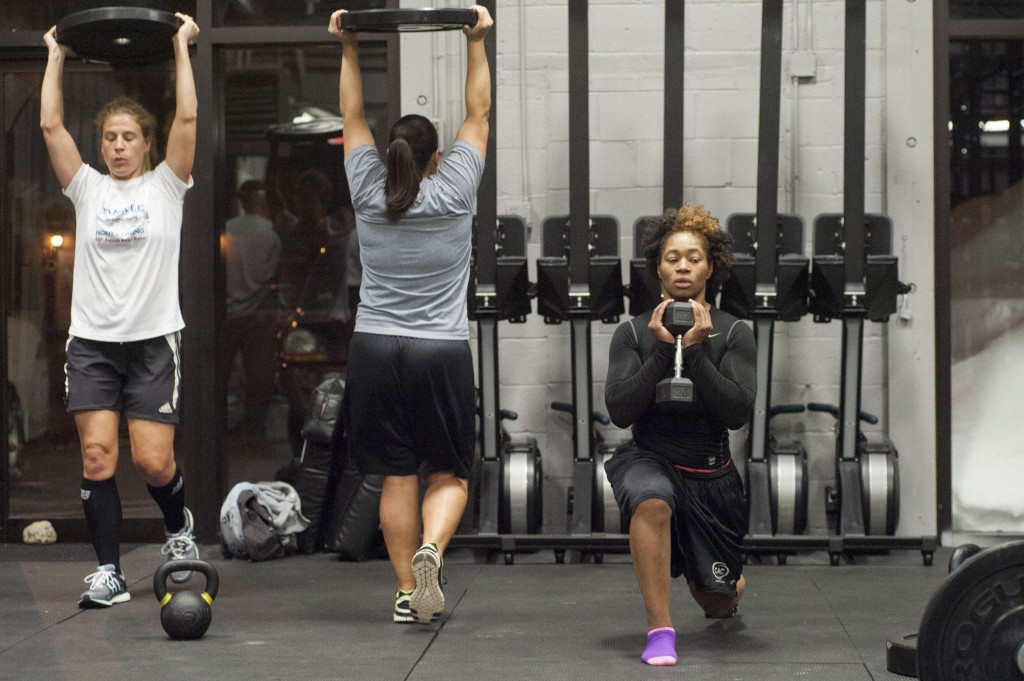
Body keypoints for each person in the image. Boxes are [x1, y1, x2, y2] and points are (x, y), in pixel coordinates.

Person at [328, 4, 493, 625]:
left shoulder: (368, 189)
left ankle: (405, 591)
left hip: (374, 347)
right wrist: (475, 40)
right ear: (434, 157)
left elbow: (350, 114)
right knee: (448, 470)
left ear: (392, 150)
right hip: (437, 349)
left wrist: (348, 45)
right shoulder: (453, 192)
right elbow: (478, 113)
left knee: (395, 475)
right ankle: (432, 548)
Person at [40, 14, 201, 608]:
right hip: (93, 343)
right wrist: (55, 53)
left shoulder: (167, 186)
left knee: (155, 462)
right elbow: (50, 122)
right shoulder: (87, 187)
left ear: (147, 143)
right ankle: (109, 572)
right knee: (97, 455)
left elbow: (187, 117)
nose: (117, 147)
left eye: (128, 137)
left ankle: (178, 526)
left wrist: (182, 47)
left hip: (153, 340)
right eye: (110, 137)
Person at [603, 204, 757, 665]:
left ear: (711, 266)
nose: (683, 265)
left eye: (694, 257)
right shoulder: (632, 331)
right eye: (673, 258)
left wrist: (695, 354)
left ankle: (726, 583)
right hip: (651, 458)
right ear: (658, 267)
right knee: (651, 497)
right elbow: (619, 409)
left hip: (712, 476)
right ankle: (660, 632)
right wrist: (662, 352)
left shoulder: (733, 333)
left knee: (717, 602)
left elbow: (736, 413)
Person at [222, 179, 282, 433]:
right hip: (257, 316)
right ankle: (254, 427)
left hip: (227, 313)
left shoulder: (227, 230)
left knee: (221, 374)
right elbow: (271, 275)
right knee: (259, 376)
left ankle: (219, 424)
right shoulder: (271, 234)